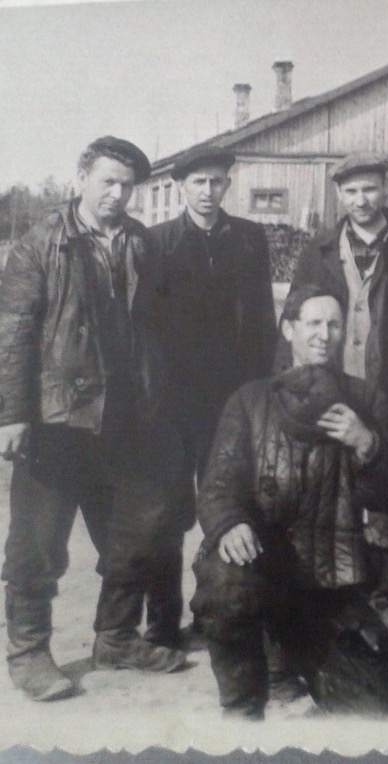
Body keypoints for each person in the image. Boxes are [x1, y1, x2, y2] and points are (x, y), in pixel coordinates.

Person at [0, 136, 187, 702]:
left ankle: (116, 638)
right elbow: (13, 332)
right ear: (81, 178)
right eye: (108, 181)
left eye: (127, 186)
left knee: (133, 536)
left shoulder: (142, 243)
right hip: (56, 419)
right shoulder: (40, 243)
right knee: (37, 544)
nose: (117, 194)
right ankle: (29, 653)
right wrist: (12, 413)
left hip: (126, 419)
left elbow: (161, 328)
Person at [189, 285, 388, 719]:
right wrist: (230, 523)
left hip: (326, 582)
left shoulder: (364, 399)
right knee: (225, 583)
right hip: (261, 570)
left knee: (373, 704)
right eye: (313, 324)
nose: (325, 335)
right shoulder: (250, 400)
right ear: (289, 329)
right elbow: (217, 484)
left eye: (334, 324)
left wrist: (366, 444)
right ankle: (243, 705)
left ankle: (290, 653)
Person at [286, 153, 388, 646]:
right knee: (332, 490)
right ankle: (339, 598)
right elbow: (296, 316)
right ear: (338, 195)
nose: (361, 200)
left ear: (386, 189)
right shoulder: (320, 249)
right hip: (335, 387)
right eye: (350, 192)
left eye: (369, 189)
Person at [147, 145, 277, 648]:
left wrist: (261, 391)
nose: (207, 191)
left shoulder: (249, 238)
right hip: (173, 404)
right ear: (181, 187)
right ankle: (162, 624)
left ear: (227, 184)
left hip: (232, 399)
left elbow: (263, 318)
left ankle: (222, 614)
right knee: (166, 511)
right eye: (198, 182)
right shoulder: (157, 242)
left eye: (216, 181)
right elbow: (146, 325)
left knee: (231, 503)